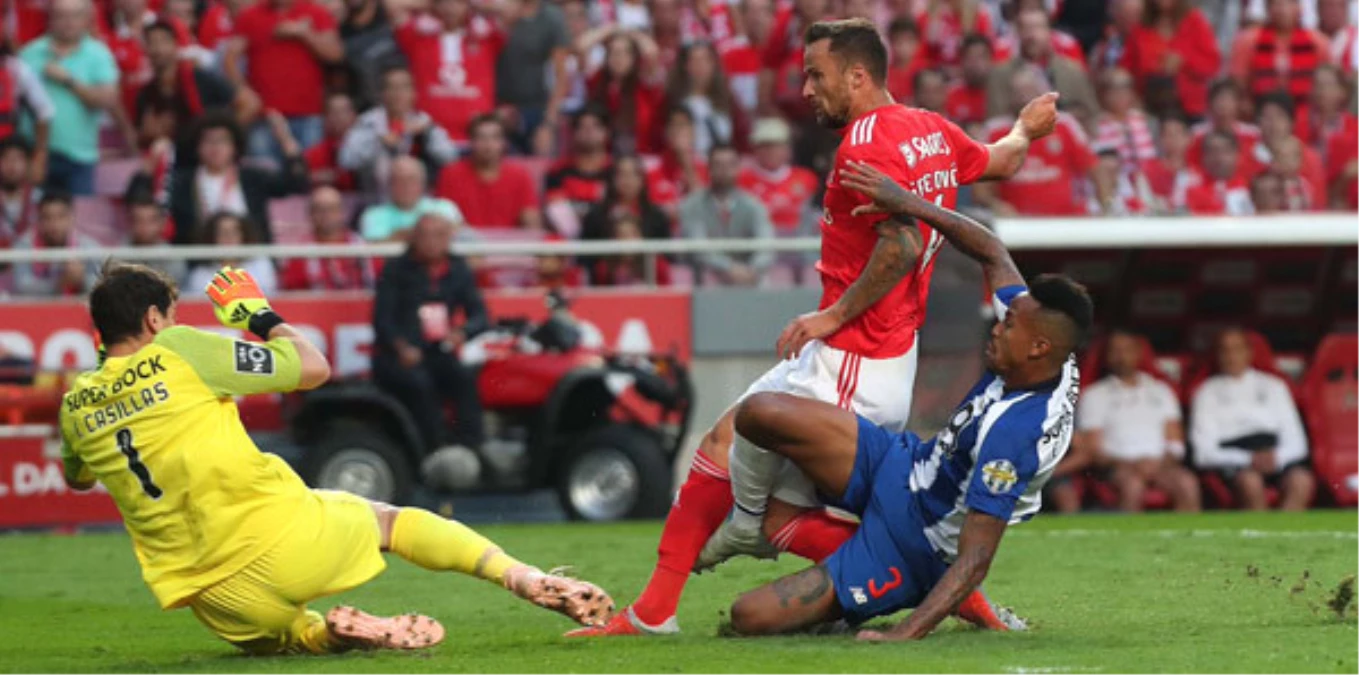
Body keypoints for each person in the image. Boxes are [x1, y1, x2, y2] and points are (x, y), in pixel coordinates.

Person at [569, 18, 1057, 637]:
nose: (804, 89)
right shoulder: (930, 129)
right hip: (881, 352)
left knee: (770, 479)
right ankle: (659, 607)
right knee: (749, 474)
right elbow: (1002, 160)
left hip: (857, 354)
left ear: (857, 75)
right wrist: (1026, 127)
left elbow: (900, 248)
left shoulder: (867, 144)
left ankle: (676, 594)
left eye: (815, 74)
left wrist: (831, 315)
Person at [57, 262, 613, 656]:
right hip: (276, 540)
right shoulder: (178, 351)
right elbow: (312, 367)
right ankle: (525, 579)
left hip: (212, 597)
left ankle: (332, 636)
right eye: (171, 316)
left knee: (292, 637)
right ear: (155, 320)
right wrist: (258, 316)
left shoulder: (75, 404)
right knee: (388, 521)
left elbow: (77, 478)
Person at [719, 169, 1089, 640]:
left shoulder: (1015, 435)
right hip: (901, 464)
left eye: (1009, 325)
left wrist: (904, 634)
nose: (997, 326)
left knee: (747, 618)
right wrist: (910, 203)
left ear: (1037, 348)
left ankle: (888, 588)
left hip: (913, 545)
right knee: (760, 411)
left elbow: (974, 557)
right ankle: (749, 525)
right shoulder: (1045, 347)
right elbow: (991, 250)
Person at [371, 214, 487, 455]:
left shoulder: (458, 268)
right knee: (419, 383)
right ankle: (433, 450)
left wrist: (462, 332)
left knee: (464, 378)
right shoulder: (395, 269)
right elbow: (382, 320)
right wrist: (401, 347)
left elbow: (480, 315)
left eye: (439, 235)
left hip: (438, 350)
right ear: (414, 238)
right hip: (398, 355)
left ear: (448, 239)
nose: (432, 242)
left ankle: (472, 448)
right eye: (425, 235)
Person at [1190, 328, 1316, 511]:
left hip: (1273, 454)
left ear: (1249, 352)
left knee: (1302, 481)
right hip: (1233, 459)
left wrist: (1277, 458)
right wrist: (1248, 459)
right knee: (1251, 483)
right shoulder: (1206, 392)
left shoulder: (1274, 386)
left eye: (1237, 349)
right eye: (1225, 350)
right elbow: (1203, 453)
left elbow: (1296, 439)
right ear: (1217, 355)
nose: (1231, 356)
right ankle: (1258, 537)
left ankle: (1285, 537)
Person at [1077, 329, 1200, 512]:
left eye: (1127, 350)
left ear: (1138, 353)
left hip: (1161, 465)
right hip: (1117, 468)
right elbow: (1094, 450)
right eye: (1115, 351)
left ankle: (1189, 539)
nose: (1122, 356)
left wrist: (1160, 464)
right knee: (1133, 486)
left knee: (1187, 483)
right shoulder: (1094, 395)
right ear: (1107, 356)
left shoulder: (1161, 391)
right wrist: (1132, 465)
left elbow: (1175, 443)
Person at [153, 111, 309, 245]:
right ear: (197, 147)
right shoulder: (183, 182)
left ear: (235, 147)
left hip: (252, 260)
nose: (215, 147)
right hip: (203, 263)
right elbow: (151, 203)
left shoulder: (252, 177)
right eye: (208, 141)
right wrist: (151, 164)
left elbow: (296, 183)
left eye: (222, 140)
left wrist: (286, 141)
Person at [20, 0, 121, 196]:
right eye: (61, 16)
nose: (68, 22)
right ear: (50, 19)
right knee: (33, 220)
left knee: (79, 220)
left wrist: (70, 81)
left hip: (79, 158)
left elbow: (108, 100)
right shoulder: (30, 53)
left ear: (86, 19)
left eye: (75, 16)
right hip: (34, 155)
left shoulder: (98, 54)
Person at [224, 0, 343, 166]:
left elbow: (335, 54)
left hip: (308, 114)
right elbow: (230, 59)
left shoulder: (315, 12)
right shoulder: (250, 15)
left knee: (309, 175)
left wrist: (304, 34)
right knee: (265, 177)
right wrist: (243, 90)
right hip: (265, 117)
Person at [976, 64, 1101, 216]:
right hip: (1016, 224)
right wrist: (995, 206)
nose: (1023, 97)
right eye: (1017, 92)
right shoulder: (994, 132)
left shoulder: (1064, 125)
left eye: (1028, 91)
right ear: (1009, 96)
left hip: (1066, 221)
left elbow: (1094, 168)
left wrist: (1105, 206)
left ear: (1041, 93)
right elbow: (980, 190)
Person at [339, 65, 458, 202]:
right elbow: (346, 160)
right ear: (382, 93)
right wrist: (378, 142)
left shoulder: (424, 122)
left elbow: (450, 158)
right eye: (392, 87)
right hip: (377, 201)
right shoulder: (367, 123)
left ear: (414, 93)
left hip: (419, 203)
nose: (398, 93)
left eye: (404, 87)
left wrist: (427, 133)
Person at [135, 20, 257, 155]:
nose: (158, 49)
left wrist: (222, 136)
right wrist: (149, 135)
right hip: (177, 161)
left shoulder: (199, 78)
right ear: (145, 49)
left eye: (163, 42)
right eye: (151, 43)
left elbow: (249, 104)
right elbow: (143, 137)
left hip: (211, 159)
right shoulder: (146, 94)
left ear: (175, 45)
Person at [392, 0, 503, 145]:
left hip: (476, 141)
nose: (450, 8)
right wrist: (430, 4)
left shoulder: (484, 37)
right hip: (428, 139)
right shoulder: (418, 36)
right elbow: (393, 5)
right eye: (444, 2)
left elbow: (510, 9)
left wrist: (475, 4)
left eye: (457, 2)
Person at [678, 144, 774, 286]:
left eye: (730, 165)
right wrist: (729, 268)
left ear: (738, 168)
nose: (724, 170)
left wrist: (753, 269)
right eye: (718, 165)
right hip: (707, 275)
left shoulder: (754, 205)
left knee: (765, 280)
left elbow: (766, 244)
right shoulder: (692, 205)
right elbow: (698, 248)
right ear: (708, 169)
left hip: (748, 275)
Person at [985, 9, 1097, 124]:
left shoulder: (1072, 72)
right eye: (1026, 28)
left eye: (1038, 27)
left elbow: (1091, 113)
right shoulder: (1000, 74)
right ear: (1017, 33)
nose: (1031, 35)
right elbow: (995, 121)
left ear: (1049, 31)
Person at [435, 114, 543, 230]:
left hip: (509, 245)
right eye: (481, 138)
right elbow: (443, 218)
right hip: (464, 244)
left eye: (495, 138)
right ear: (471, 141)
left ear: (504, 143)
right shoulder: (451, 174)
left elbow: (530, 217)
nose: (488, 144)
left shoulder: (520, 175)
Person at [1121, 0, 1220, 120]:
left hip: (1188, 110)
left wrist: (1184, 63)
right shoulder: (1141, 27)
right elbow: (1125, 69)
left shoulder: (1194, 21)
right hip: (1149, 108)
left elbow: (1212, 64)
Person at [1230, 0, 1331, 110]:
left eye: (1288, 3)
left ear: (1299, 8)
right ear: (1267, 8)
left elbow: (1327, 86)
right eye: (1276, 4)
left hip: (1306, 115)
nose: (1282, 10)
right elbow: (1237, 84)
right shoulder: (1247, 42)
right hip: (1260, 113)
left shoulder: (1319, 43)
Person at [280, 186, 378, 291]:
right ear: (310, 214)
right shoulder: (300, 255)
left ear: (342, 212)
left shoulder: (363, 248)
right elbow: (291, 295)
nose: (326, 214)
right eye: (319, 209)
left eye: (332, 209)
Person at [738, 117, 819, 235]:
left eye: (777, 145)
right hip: (757, 242)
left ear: (788, 148)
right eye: (765, 146)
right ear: (755, 149)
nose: (771, 151)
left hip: (800, 243)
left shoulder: (806, 178)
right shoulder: (742, 179)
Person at [11, 191, 99, 296]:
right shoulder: (24, 245)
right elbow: (22, 287)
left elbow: (101, 287)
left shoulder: (88, 247)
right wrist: (60, 283)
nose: (54, 225)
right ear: (38, 220)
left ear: (72, 218)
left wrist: (81, 280)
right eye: (47, 218)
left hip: (78, 309)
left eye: (61, 217)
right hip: (37, 310)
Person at [359, 156, 464, 242]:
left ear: (423, 183)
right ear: (389, 184)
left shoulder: (445, 207)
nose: (406, 186)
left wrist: (403, 235)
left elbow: (461, 236)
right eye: (399, 180)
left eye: (411, 179)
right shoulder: (373, 215)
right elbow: (375, 249)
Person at [543, 106, 611, 237]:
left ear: (606, 132)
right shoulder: (558, 171)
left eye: (596, 126)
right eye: (583, 127)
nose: (589, 132)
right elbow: (556, 210)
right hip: (569, 239)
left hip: (608, 237)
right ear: (574, 133)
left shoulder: (617, 171)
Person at [185, 212, 279, 295]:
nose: (229, 236)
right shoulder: (200, 275)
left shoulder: (261, 266)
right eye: (223, 232)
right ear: (213, 238)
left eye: (234, 231)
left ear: (243, 236)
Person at [1183, 130, 1254, 215]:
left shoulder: (1251, 187)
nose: (1218, 157)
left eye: (1224, 151)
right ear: (1203, 157)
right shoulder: (1188, 185)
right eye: (1211, 151)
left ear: (1237, 155)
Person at [122, 193, 186, 283]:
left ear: (162, 223)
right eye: (139, 220)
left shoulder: (173, 258)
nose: (144, 227)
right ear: (130, 222)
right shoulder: (119, 256)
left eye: (151, 221)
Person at [0, 138, 41, 246]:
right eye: (6, 158)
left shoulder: (39, 198)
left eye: (18, 159)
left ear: (28, 164)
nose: (11, 165)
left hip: (29, 258)